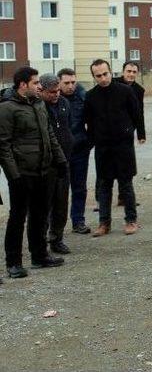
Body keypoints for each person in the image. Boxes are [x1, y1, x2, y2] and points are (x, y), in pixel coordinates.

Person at [0, 67, 67, 278]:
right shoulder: (7, 109)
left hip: (44, 169)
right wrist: (14, 175)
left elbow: (49, 135)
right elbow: (3, 145)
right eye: (35, 82)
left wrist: (60, 160)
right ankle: (13, 262)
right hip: (22, 173)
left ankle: (39, 255)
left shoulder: (39, 104)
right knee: (18, 217)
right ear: (23, 85)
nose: (39, 86)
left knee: (39, 214)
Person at [83, 59, 141, 236]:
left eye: (105, 74)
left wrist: (128, 131)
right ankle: (104, 223)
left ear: (111, 72)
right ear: (93, 76)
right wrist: (94, 140)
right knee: (104, 186)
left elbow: (136, 114)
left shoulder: (125, 91)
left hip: (123, 147)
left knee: (126, 185)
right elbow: (89, 122)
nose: (103, 78)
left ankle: (131, 220)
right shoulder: (90, 96)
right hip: (103, 149)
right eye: (98, 76)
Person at [40, 74, 73, 254]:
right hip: (46, 164)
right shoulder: (38, 107)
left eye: (58, 90)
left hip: (64, 161)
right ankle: (40, 240)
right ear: (42, 91)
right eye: (52, 92)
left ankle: (56, 239)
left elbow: (68, 127)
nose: (56, 94)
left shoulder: (64, 104)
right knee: (44, 204)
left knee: (61, 204)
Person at [58, 68, 92, 234]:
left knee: (79, 187)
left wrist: (88, 143)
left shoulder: (82, 97)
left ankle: (78, 221)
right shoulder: (53, 99)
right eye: (66, 83)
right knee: (58, 190)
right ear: (59, 83)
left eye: (73, 82)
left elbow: (92, 121)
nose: (70, 86)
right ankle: (55, 224)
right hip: (59, 152)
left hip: (79, 150)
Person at [114, 61, 145, 207]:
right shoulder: (112, 84)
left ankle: (124, 197)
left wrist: (141, 133)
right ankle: (102, 201)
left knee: (126, 166)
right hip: (110, 131)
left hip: (127, 131)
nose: (131, 74)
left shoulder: (139, 90)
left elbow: (139, 113)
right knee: (107, 167)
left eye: (134, 72)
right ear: (122, 72)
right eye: (128, 71)